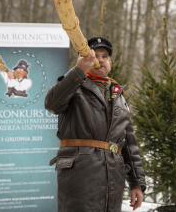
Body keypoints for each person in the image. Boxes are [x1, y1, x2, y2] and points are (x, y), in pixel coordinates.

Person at [45, 36, 146, 212]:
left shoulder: (118, 96)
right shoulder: (73, 85)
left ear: (110, 63)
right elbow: (52, 104)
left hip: (113, 178)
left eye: (105, 56)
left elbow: (129, 143)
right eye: (95, 55)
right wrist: (78, 71)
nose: (100, 60)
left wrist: (137, 183)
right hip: (80, 175)